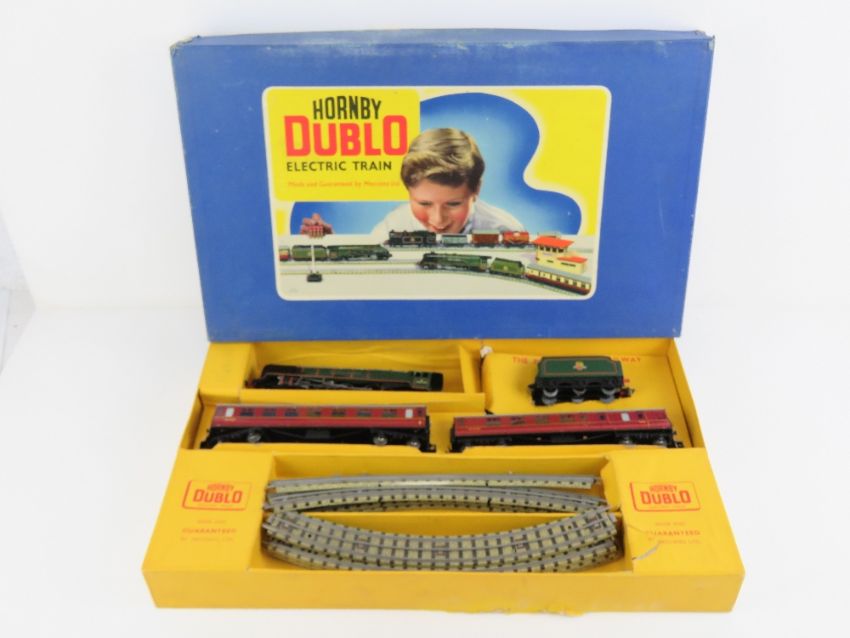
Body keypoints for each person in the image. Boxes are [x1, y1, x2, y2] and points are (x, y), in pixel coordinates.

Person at [299, 128, 523, 237]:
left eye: (453, 204)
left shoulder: (506, 230)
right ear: (408, 192)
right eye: (424, 204)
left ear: (476, 190)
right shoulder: (393, 225)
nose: (438, 220)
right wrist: (331, 246)